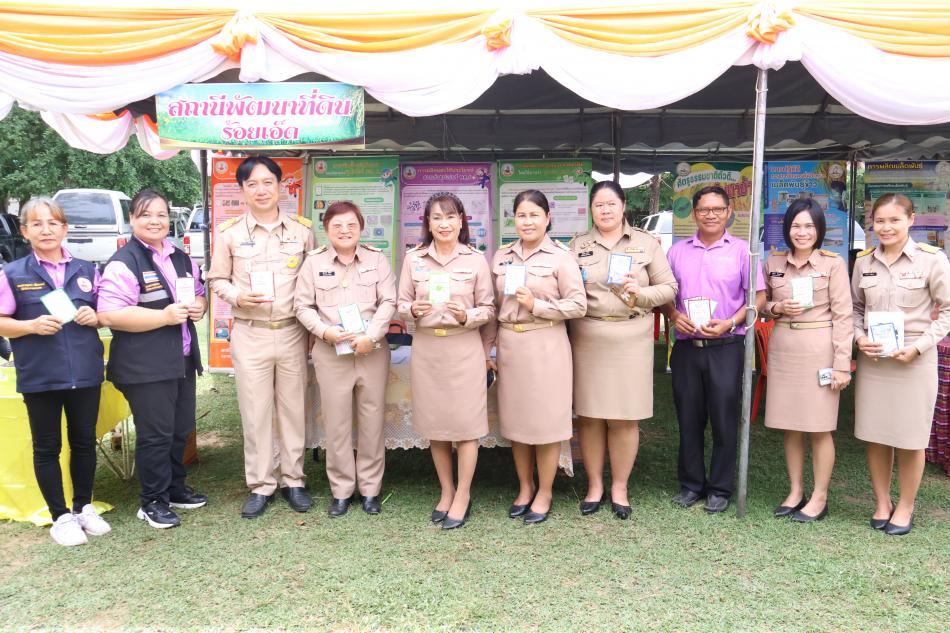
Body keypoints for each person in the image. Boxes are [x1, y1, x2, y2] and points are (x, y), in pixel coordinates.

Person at [207, 155, 315, 519]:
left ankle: (294, 480)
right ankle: (261, 484)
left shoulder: (302, 231)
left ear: (280, 185)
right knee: (255, 412)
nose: (261, 189)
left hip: (291, 332)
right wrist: (237, 296)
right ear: (242, 190)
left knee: (293, 410)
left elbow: (311, 282)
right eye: (252, 184)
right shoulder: (229, 233)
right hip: (249, 333)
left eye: (268, 182)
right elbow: (217, 279)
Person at [0, 197, 110, 545]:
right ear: (24, 230)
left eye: (53, 223)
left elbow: (103, 312)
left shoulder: (87, 270)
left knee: (84, 442)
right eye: (37, 224)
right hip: (41, 376)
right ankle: (60, 516)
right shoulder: (13, 273)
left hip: (85, 372)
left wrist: (95, 317)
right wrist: (30, 325)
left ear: (65, 229)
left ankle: (83, 507)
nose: (46, 230)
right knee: (47, 447)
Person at [97, 189, 208, 529]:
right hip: (145, 366)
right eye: (146, 214)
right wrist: (164, 317)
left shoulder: (180, 257)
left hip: (182, 359)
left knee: (179, 429)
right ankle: (152, 501)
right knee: (155, 434)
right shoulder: (125, 262)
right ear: (132, 219)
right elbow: (109, 315)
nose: (155, 221)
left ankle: (174, 489)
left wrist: (198, 308)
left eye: (161, 214)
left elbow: (199, 295)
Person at [569, 181, 677, 520]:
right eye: (598, 205)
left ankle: (619, 487)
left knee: (624, 418)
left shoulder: (646, 244)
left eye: (611, 204)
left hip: (632, 335)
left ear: (624, 205)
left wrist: (640, 294)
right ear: (591, 209)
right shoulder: (577, 245)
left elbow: (669, 288)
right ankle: (594, 486)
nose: (605, 211)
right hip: (588, 335)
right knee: (589, 416)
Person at [660, 185, 765, 514]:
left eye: (717, 209)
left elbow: (757, 298)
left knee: (723, 418)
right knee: (689, 419)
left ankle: (720, 488)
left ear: (729, 211)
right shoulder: (676, 252)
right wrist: (674, 316)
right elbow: (664, 296)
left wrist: (731, 323)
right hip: (688, 347)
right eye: (704, 210)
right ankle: (691, 484)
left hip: (727, 346)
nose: (710, 215)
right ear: (694, 213)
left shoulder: (741, 251)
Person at [484, 190, 586, 525]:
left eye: (534, 215)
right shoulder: (502, 256)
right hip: (511, 345)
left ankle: (544, 491)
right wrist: (489, 348)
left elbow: (578, 304)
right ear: (514, 218)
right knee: (517, 422)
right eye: (522, 215)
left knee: (544, 424)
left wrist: (537, 306)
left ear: (547, 218)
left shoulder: (561, 256)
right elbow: (494, 308)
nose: (527, 221)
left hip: (546, 344)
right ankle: (525, 487)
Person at [852, 193, 950, 536]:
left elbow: (948, 310)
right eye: (880, 220)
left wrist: (920, 347)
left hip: (914, 363)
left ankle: (905, 505)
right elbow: (854, 309)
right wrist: (858, 337)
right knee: (876, 435)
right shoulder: (863, 262)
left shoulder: (931, 260)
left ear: (912, 219)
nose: (886, 227)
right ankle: (882, 502)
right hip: (875, 362)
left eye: (894, 220)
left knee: (910, 439)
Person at [397, 193, 494, 530]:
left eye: (450, 217)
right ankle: (446, 490)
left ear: (462, 221)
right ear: (427, 223)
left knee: (466, 426)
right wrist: (411, 310)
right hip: (427, 349)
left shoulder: (476, 260)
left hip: (463, 347)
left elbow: (490, 310)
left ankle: (464, 494)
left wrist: (468, 315)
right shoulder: (413, 260)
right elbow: (400, 302)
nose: (444, 224)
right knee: (436, 425)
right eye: (436, 218)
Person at [295, 201, 396, 517]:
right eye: (337, 225)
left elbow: (388, 301)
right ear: (326, 230)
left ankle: (370, 490)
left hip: (371, 352)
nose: (345, 230)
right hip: (331, 353)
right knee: (337, 424)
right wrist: (325, 332)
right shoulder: (313, 263)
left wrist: (372, 336)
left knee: (371, 421)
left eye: (351, 224)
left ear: (361, 227)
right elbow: (302, 307)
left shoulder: (377, 260)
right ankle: (341, 491)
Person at [762, 199, 853, 522]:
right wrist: (777, 309)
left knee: (819, 426)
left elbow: (844, 316)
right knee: (791, 426)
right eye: (796, 226)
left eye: (809, 226)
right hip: (785, 344)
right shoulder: (773, 260)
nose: (802, 232)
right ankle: (795, 490)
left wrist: (842, 363)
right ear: (787, 228)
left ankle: (819, 496)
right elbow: (762, 304)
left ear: (819, 230)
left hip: (820, 349)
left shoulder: (833, 264)